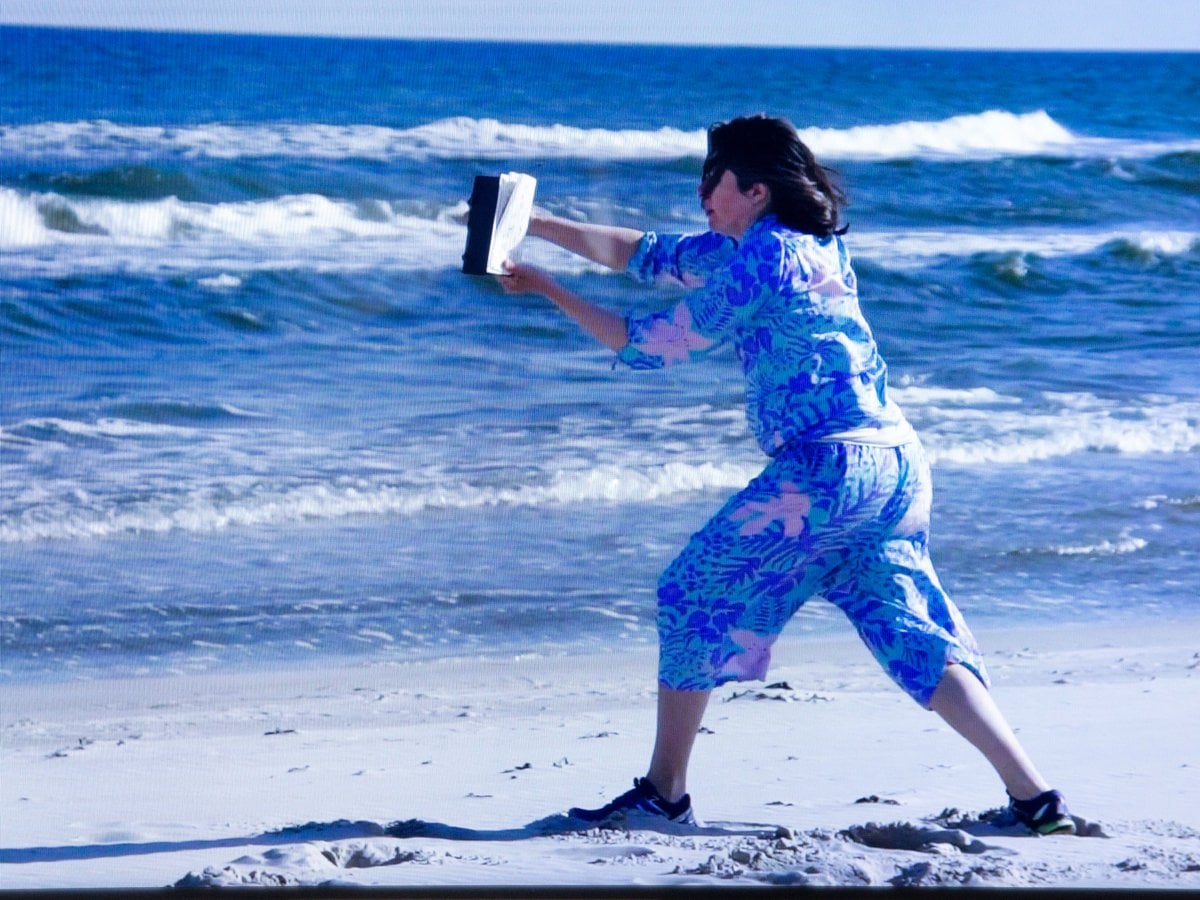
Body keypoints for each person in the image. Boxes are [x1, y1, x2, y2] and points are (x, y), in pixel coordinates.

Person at [494, 114, 1074, 836]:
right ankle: (1036, 798)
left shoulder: (764, 260)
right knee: (911, 632)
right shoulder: (801, 244)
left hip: (830, 469)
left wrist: (547, 288)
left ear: (757, 191)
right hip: (895, 467)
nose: (701, 192)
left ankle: (665, 793)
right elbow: (647, 255)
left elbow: (652, 345)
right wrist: (532, 222)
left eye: (714, 178)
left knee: (689, 589)